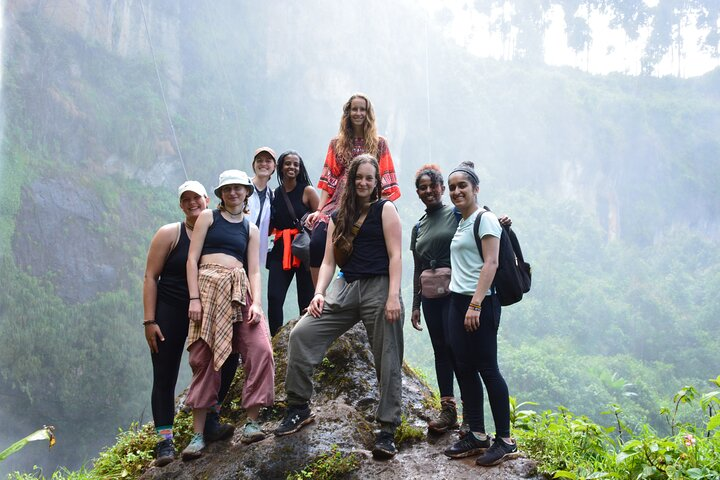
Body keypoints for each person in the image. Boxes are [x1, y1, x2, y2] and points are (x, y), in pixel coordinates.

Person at [275, 154, 404, 461]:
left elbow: (396, 255)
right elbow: (330, 261)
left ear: (376, 183)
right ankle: (298, 406)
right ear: (350, 181)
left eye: (369, 179)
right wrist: (318, 294)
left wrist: (393, 297)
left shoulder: (385, 209)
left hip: (379, 285)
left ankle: (386, 429)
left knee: (387, 356)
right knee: (302, 334)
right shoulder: (337, 216)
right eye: (358, 177)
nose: (363, 183)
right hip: (345, 287)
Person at [182, 170, 275, 460]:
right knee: (205, 356)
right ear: (221, 193)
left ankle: (252, 422)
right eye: (227, 188)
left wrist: (256, 303)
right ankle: (197, 435)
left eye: (238, 188)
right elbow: (191, 259)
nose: (233, 193)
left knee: (260, 349)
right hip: (208, 289)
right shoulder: (208, 218)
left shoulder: (251, 229)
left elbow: (255, 269)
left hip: (239, 290)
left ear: (247, 192)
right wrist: (194, 298)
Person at [442, 161, 519, 467]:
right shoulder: (461, 220)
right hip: (457, 301)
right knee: (464, 367)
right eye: (452, 187)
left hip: (481, 303)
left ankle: (505, 440)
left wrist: (476, 304)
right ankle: (476, 433)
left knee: (488, 368)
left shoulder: (485, 219)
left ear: (476, 188)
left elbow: (491, 263)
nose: (457, 191)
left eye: (463, 185)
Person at [142, 180, 210, 466]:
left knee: (212, 367)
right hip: (169, 310)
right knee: (165, 374)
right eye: (186, 199)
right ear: (181, 205)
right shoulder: (170, 233)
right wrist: (149, 321)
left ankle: (209, 422)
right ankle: (165, 441)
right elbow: (150, 277)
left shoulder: (215, 232)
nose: (192, 203)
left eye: (197, 197)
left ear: (207, 199)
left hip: (203, 312)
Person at [306, 93, 401, 286]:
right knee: (317, 242)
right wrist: (319, 210)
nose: (358, 113)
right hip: (339, 200)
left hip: (369, 200)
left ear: (368, 113)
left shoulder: (379, 143)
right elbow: (328, 178)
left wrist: (380, 208)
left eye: (362, 109)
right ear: (347, 113)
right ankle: (317, 296)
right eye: (354, 109)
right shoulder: (336, 143)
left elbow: (384, 177)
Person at [409, 165, 460, 434]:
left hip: (455, 291)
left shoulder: (457, 214)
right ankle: (448, 410)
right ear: (417, 192)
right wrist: (415, 305)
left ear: (442, 188)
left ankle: (472, 413)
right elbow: (417, 267)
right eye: (423, 187)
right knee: (441, 348)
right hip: (430, 295)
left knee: (457, 345)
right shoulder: (418, 226)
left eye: (433, 186)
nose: (428, 191)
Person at [267, 150, 320, 336]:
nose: (292, 167)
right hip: (280, 250)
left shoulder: (307, 191)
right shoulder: (275, 194)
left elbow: (321, 219)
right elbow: (269, 224)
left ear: (300, 168)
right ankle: (275, 339)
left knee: (306, 300)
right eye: (288, 163)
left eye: (296, 164)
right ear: (280, 167)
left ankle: (305, 338)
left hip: (304, 250)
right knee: (274, 298)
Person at [248, 146, 276, 269]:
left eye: (268, 161)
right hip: (235, 245)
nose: (263, 164)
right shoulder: (243, 187)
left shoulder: (271, 195)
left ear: (274, 167)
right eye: (259, 160)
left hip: (254, 251)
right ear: (253, 165)